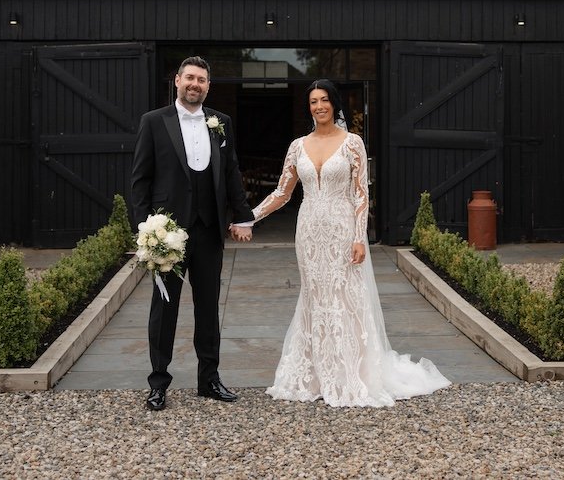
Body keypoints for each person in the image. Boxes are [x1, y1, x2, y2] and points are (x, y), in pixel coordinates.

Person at [241, 80, 451, 407]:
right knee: (315, 297)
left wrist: (359, 237)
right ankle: (316, 376)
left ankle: (351, 374)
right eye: (313, 101)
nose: (319, 106)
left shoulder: (353, 143)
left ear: (334, 104)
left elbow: (361, 195)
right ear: (308, 107)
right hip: (309, 230)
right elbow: (282, 193)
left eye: (324, 100)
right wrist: (248, 216)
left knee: (346, 297)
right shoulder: (298, 146)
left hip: (342, 229)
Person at [130, 56, 254, 411]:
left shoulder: (221, 123)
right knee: (164, 309)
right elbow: (140, 180)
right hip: (167, 234)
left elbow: (231, 172)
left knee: (208, 308)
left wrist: (242, 216)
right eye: (189, 78)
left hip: (209, 230)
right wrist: (144, 232)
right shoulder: (154, 122)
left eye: (201, 79)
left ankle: (209, 379)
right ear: (177, 81)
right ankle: (158, 384)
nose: (195, 84)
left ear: (208, 86)